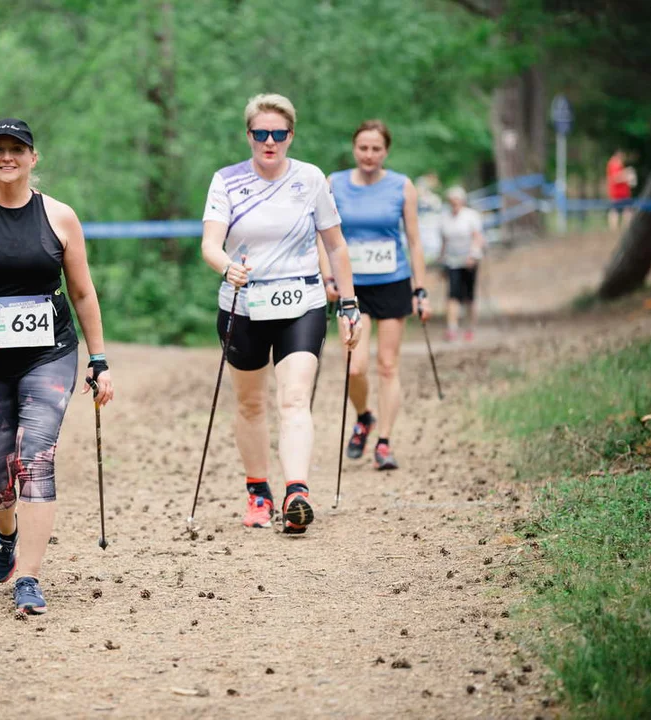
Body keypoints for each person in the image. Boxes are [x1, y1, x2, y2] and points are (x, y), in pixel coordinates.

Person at [0, 118, 113, 616]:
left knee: (35, 459)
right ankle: (7, 535)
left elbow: (81, 291)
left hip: (48, 353)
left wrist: (99, 360)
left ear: (34, 158)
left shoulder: (60, 217)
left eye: (18, 149)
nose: (7, 157)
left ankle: (29, 579)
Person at [200, 93, 362, 534]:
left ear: (291, 135)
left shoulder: (310, 179)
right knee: (251, 403)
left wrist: (348, 303)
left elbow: (335, 245)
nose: (269, 142)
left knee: (294, 398)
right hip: (243, 304)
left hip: (302, 303)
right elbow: (210, 243)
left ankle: (296, 492)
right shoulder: (226, 181)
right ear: (248, 135)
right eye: (260, 134)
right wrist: (226, 265)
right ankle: (258, 492)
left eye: (278, 134)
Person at [328, 119, 431, 471]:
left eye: (376, 149)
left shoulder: (402, 186)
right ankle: (364, 416)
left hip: (392, 281)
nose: (369, 155)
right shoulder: (334, 183)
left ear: (386, 151)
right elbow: (324, 236)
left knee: (388, 365)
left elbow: (415, 242)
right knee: (355, 366)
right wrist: (326, 276)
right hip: (351, 286)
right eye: (363, 148)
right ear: (354, 149)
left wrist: (421, 289)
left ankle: (384, 442)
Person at [439, 186, 485, 342]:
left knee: (469, 296)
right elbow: (444, 241)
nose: (454, 203)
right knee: (452, 294)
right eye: (452, 201)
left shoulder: (471, 216)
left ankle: (470, 327)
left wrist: (473, 255)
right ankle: (452, 328)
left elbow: (478, 237)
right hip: (452, 261)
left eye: (457, 200)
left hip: (469, 260)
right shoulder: (445, 218)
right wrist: (441, 259)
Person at [606, 149, 635, 230]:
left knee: (625, 210)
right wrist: (627, 174)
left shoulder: (618, 164)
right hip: (618, 193)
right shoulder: (614, 163)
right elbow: (615, 178)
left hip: (622, 193)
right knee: (617, 211)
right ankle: (615, 230)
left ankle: (624, 229)